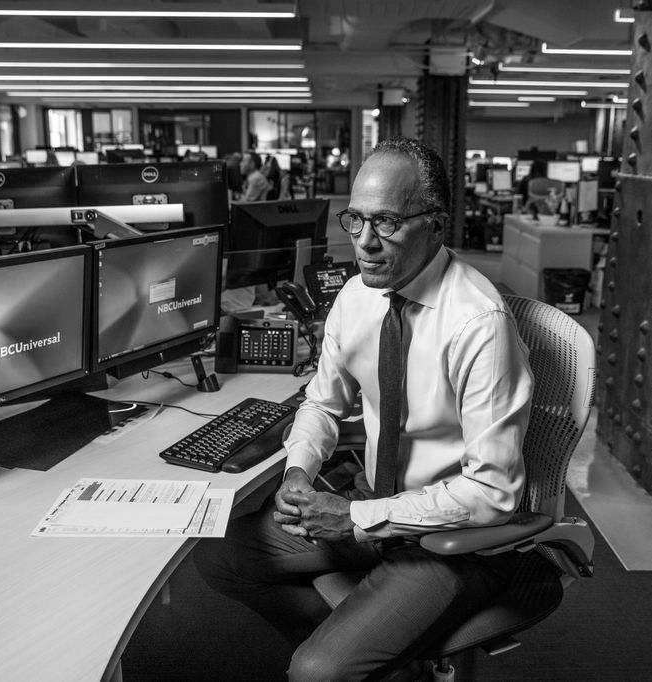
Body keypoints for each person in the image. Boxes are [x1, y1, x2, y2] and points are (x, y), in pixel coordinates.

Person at [194, 137, 535, 680]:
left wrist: (354, 519)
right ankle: (381, 663)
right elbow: (322, 404)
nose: (365, 244)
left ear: (436, 224)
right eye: (355, 220)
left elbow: (494, 494)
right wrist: (299, 472)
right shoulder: (357, 297)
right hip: (372, 504)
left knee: (316, 673)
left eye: (388, 223)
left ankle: (347, 658)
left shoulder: (478, 325)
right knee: (219, 557)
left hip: (449, 542)